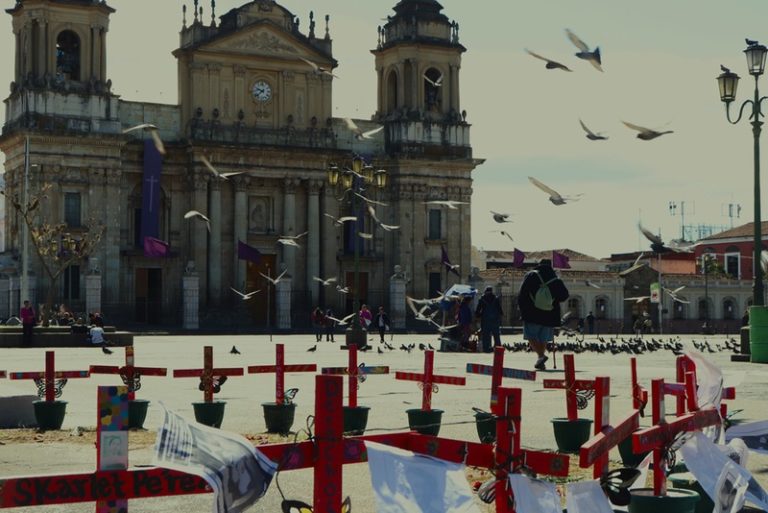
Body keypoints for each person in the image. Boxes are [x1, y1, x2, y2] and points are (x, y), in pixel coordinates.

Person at [518, 258, 569, 370]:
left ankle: (541, 356)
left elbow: (522, 294)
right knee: (543, 338)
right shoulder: (555, 279)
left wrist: (522, 309)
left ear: (539, 265)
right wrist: (552, 298)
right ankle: (540, 361)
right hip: (549, 314)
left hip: (532, 313)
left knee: (530, 336)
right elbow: (564, 296)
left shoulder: (531, 275)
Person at [475, 286, 503, 352]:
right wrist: (500, 315)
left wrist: (479, 315)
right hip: (495, 320)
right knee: (496, 335)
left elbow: (478, 310)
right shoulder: (495, 298)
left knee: (486, 335)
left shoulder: (482, 299)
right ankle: (498, 348)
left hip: (485, 320)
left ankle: (486, 348)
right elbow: (499, 309)